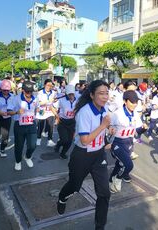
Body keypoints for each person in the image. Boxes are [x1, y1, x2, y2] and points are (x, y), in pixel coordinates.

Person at [57, 80, 111, 230]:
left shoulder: (104, 108)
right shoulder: (84, 112)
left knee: (104, 193)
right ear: (92, 95)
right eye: (101, 93)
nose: (105, 96)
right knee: (74, 187)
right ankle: (62, 197)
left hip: (99, 155)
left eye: (106, 93)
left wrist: (108, 130)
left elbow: (104, 127)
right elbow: (85, 140)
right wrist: (103, 126)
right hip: (82, 155)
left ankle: (100, 226)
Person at [109, 90, 141, 193]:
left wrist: (144, 128)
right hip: (117, 143)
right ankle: (118, 178)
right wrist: (110, 128)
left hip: (129, 142)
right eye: (132, 102)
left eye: (136, 102)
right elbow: (108, 125)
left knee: (119, 164)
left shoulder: (135, 114)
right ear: (125, 101)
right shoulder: (117, 114)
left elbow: (137, 129)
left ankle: (111, 181)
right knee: (128, 165)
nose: (134, 104)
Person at [7, 81, 39, 171]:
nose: (29, 93)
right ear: (23, 90)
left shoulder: (35, 98)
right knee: (19, 146)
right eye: (27, 91)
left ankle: (27, 157)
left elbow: (37, 107)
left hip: (31, 124)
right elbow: (8, 111)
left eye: (31, 91)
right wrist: (17, 112)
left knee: (33, 145)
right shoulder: (16, 99)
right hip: (19, 125)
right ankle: (18, 161)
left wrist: (39, 112)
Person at [54, 85, 76, 159]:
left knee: (69, 141)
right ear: (66, 93)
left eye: (72, 94)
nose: (71, 96)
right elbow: (52, 106)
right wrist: (57, 116)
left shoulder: (77, 100)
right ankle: (58, 145)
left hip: (72, 122)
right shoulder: (61, 100)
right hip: (62, 122)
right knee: (64, 139)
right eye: (69, 94)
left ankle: (63, 153)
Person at [36, 79, 57, 147]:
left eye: (51, 85)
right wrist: (47, 101)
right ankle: (38, 138)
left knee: (51, 125)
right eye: (48, 85)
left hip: (50, 111)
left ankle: (49, 140)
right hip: (42, 111)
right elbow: (38, 103)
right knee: (41, 125)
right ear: (44, 85)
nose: (49, 87)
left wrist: (54, 102)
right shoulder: (40, 93)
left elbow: (55, 102)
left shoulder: (54, 93)